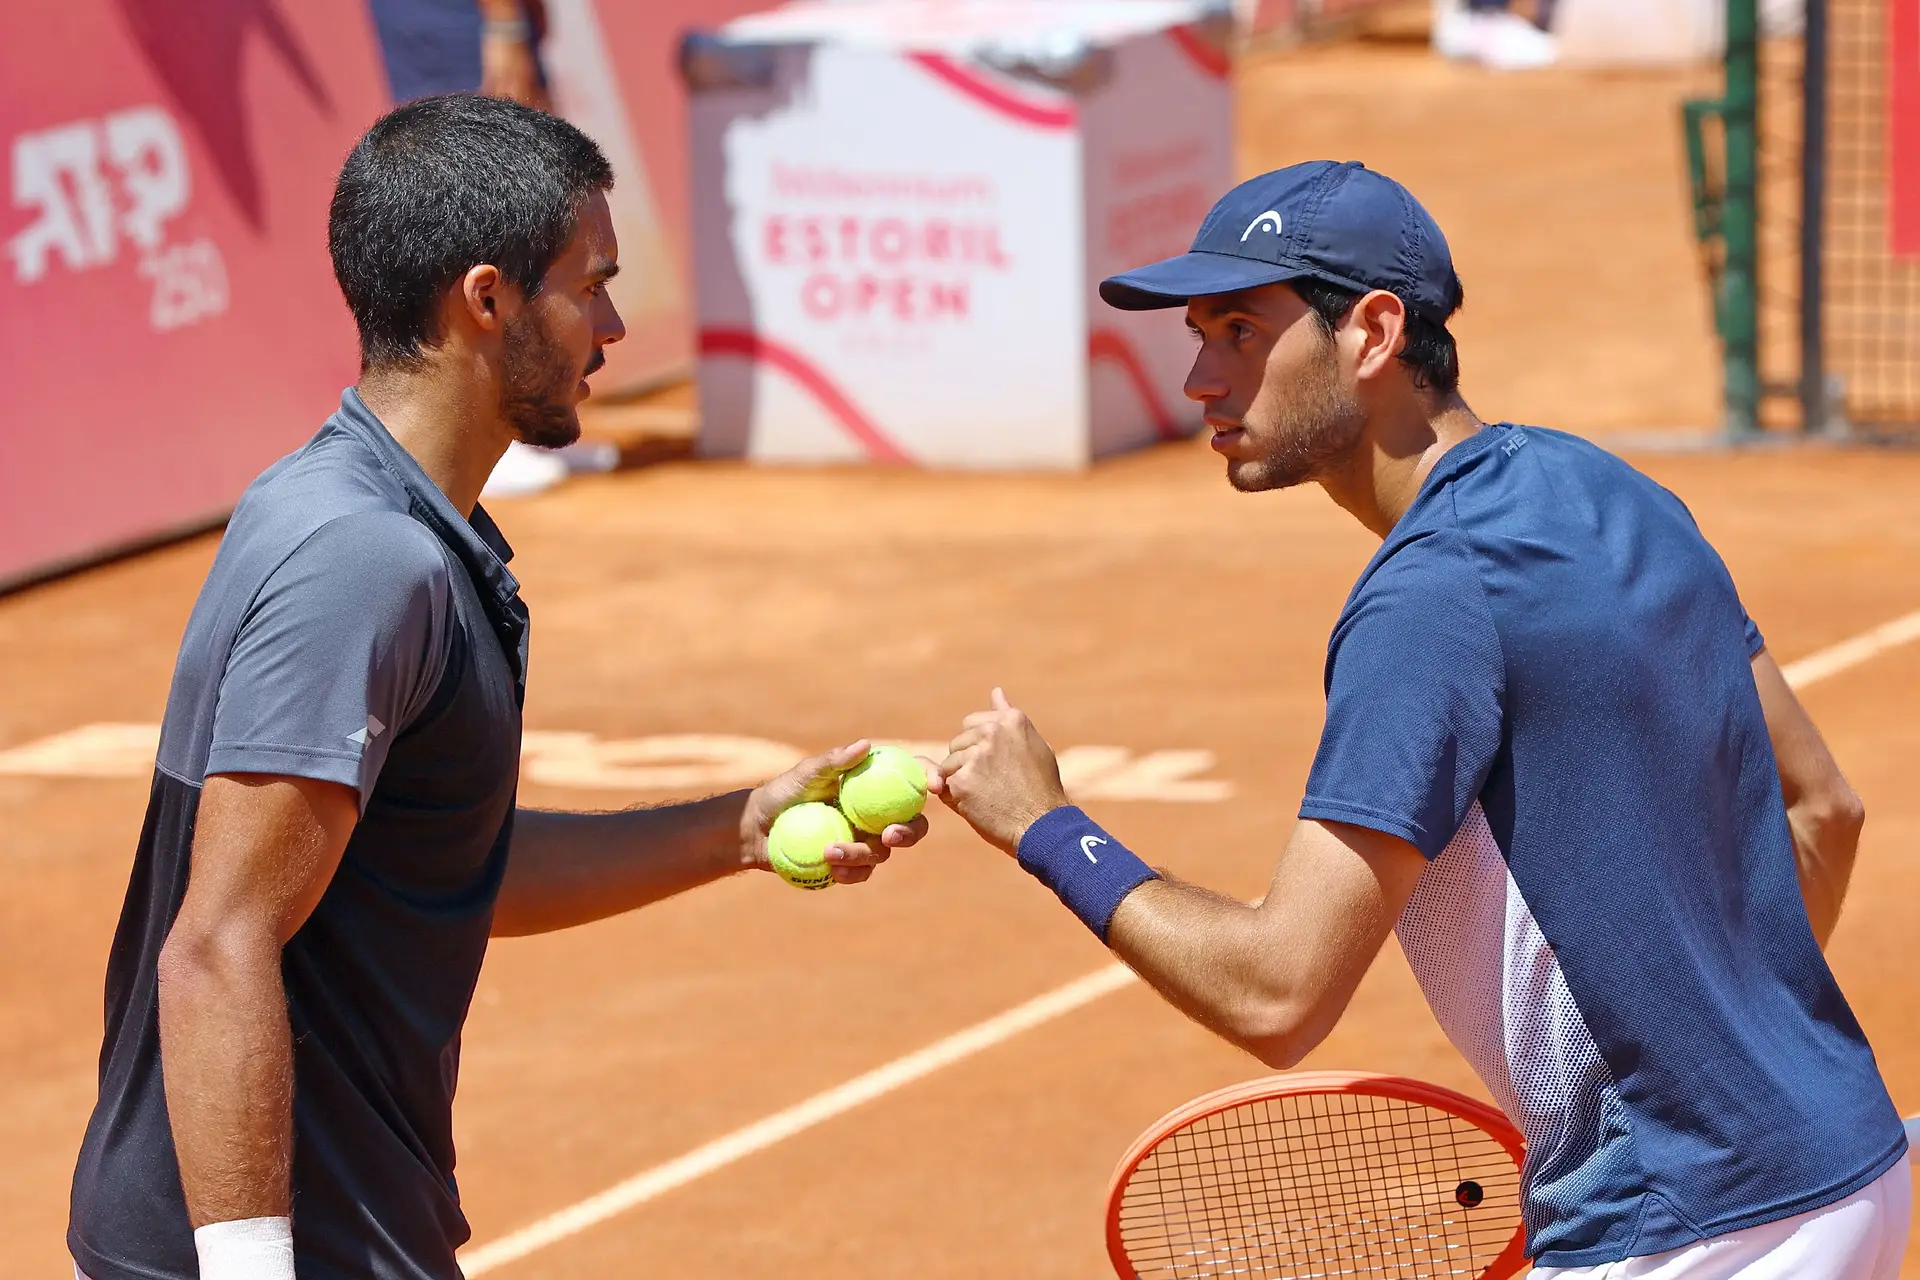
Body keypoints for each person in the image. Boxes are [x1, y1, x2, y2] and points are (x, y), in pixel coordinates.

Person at [929, 160, 1911, 1276]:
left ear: (1374, 332)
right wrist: (1731, 1063)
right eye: (1196, 335)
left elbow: (1277, 989)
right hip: (1848, 1168)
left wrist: (1045, 823)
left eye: (1242, 332)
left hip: (1693, 1229)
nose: (1201, 378)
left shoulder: (1427, 598)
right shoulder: (1610, 489)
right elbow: (1826, 805)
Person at [65, 95, 921, 1280]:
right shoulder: (364, 560)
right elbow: (218, 943)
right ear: (486, 299)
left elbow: (441, 862)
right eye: (591, 283)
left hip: (345, 1230)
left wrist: (734, 826)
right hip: (274, 1248)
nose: (612, 324)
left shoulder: (376, 523)